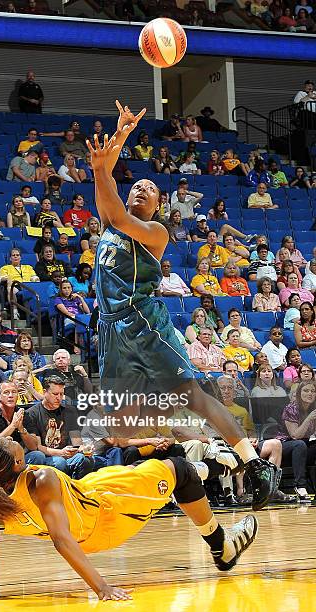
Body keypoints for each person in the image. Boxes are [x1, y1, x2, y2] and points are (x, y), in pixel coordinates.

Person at [85, 100, 278, 510]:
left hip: (145, 322)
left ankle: (253, 463)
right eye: (137, 184)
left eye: (150, 189)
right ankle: (190, 468)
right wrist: (117, 140)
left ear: (159, 207)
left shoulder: (154, 232)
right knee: (119, 425)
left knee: (194, 396)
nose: (142, 188)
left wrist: (103, 166)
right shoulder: (109, 221)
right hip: (110, 329)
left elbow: (114, 206)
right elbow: (107, 197)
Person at [0, 438, 259, 601]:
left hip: (93, 493)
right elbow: (61, 539)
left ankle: (214, 467)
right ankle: (223, 545)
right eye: (13, 446)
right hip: (109, 514)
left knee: (148, 467)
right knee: (178, 471)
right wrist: (101, 587)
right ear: (18, 463)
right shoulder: (40, 479)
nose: (15, 442)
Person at [21, 376, 94, 478]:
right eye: (55, 394)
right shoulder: (32, 413)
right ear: (44, 392)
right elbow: (37, 447)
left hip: (67, 454)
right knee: (60, 462)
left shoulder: (70, 411)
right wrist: (60, 453)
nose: (59, 398)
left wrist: (83, 448)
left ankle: (76, 489)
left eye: (62, 394)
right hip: (46, 456)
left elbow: (76, 442)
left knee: (87, 460)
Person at [276, 381, 316, 501]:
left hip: (305, 443)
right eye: (306, 390)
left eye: (313, 391)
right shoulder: (291, 408)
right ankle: (300, 486)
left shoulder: (314, 408)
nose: (310, 393)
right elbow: (295, 435)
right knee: (299, 444)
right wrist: (309, 418)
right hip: (285, 445)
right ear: (299, 393)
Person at [0, 248, 39, 320]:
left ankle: (36, 312)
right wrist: (8, 278)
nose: (15, 257)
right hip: (15, 286)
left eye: (17, 255)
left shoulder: (28, 267)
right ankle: (14, 311)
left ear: (20, 257)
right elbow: (0, 278)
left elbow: (34, 277)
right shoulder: (5, 268)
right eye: (13, 255)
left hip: (28, 286)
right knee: (11, 287)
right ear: (10, 258)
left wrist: (36, 279)